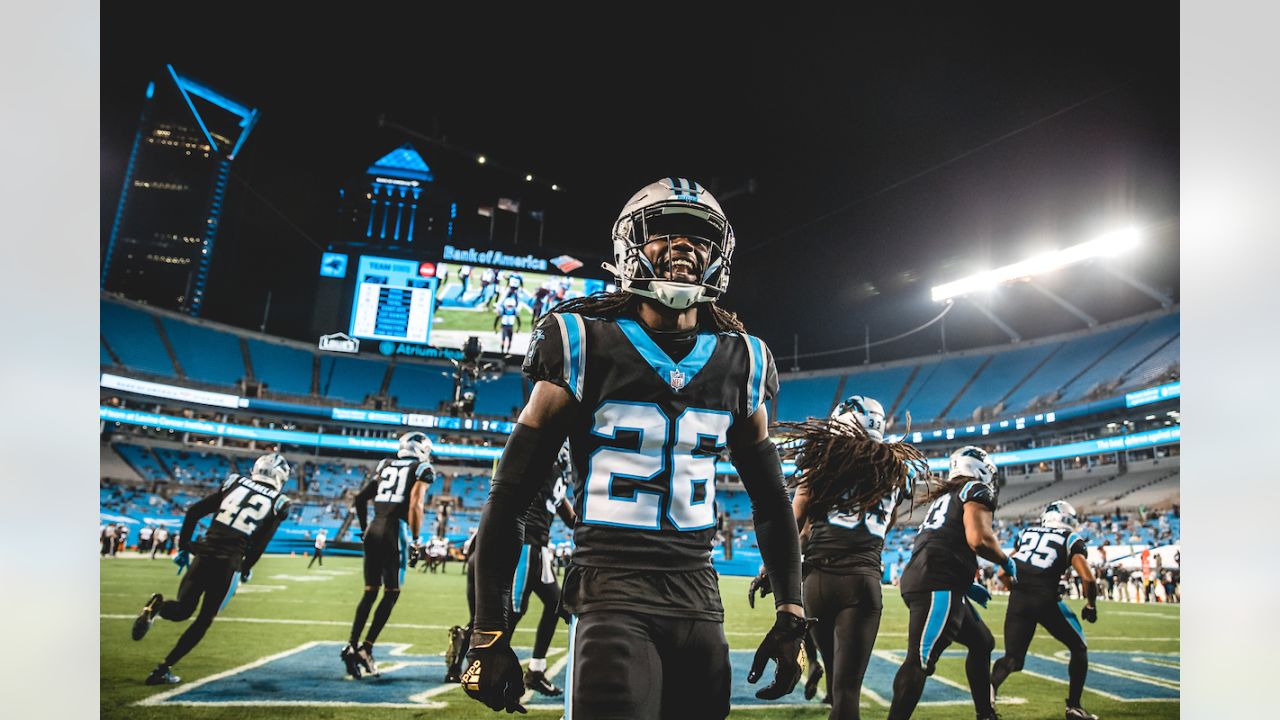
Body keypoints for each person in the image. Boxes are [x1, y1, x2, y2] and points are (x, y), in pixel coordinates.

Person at [461, 177, 808, 718]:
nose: (684, 247)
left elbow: (771, 499)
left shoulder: (745, 360)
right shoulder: (580, 343)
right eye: (663, 232)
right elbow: (510, 494)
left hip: (699, 597)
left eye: (699, 238)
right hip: (610, 592)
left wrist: (791, 611)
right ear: (628, 247)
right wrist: (488, 629)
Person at [748, 394, 927, 719]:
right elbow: (884, 527)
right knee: (847, 693)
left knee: (834, 680)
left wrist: (767, 570)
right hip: (861, 583)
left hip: (817, 582)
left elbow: (794, 526)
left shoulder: (821, 463)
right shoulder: (896, 472)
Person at [130, 452, 293, 685]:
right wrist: (245, 568)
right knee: (203, 619)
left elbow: (193, 512)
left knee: (182, 609)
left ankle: (155, 607)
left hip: (204, 554)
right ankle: (162, 669)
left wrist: (186, 544)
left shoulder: (234, 482)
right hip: (229, 563)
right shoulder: (279, 502)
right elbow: (259, 545)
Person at [886, 446, 1016, 720]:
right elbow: (978, 539)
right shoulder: (976, 489)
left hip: (933, 575)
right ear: (981, 470)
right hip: (937, 581)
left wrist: (964, 582)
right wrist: (1004, 560)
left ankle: (985, 714)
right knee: (920, 659)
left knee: (982, 642)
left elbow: (943, 539)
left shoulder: (947, 494)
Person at [991, 500, 1099, 720]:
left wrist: (1019, 590)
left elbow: (1003, 574)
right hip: (1046, 599)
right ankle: (1074, 707)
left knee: (1013, 658)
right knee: (1079, 648)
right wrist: (1090, 605)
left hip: (1018, 599)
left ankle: (988, 692)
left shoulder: (1027, 533)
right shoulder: (1070, 538)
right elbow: (1088, 578)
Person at [341, 431, 435, 679]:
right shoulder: (421, 468)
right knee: (391, 593)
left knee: (370, 591)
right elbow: (416, 504)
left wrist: (362, 529)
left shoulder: (385, 465)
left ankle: (351, 644)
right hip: (396, 530)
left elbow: (360, 498)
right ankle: (367, 648)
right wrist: (416, 541)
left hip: (374, 528)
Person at [510, 443, 578, 696]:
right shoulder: (543, 468)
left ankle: (536, 672)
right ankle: (486, 662)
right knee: (514, 609)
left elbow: (570, 518)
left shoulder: (556, 475)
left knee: (555, 605)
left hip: (539, 548)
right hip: (526, 544)